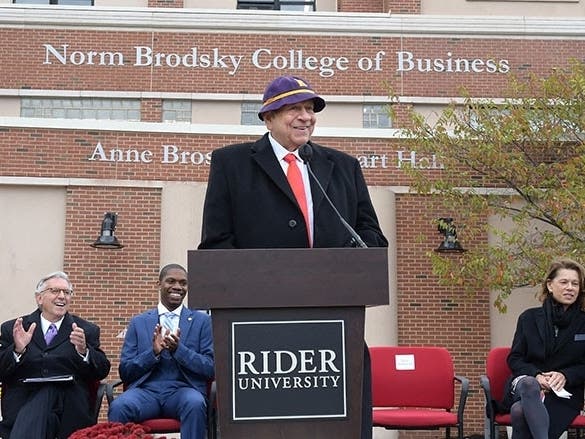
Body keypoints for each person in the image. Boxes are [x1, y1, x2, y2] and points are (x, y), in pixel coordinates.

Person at [198, 75, 388, 439]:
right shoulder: (231, 164)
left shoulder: (342, 167)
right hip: (259, 334)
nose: (305, 117)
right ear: (268, 117)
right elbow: (217, 244)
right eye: (294, 109)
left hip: (335, 326)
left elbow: (371, 236)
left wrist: (342, 264)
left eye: (310, 109)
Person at [108, 263, 214, 439]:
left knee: (195, 403)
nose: (177, 287)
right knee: (120, 406)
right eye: (171, 281)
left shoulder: (202, 321)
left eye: (183, 283)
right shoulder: (139, 322)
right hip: (146, 392)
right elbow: (125, 371)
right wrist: (153, 352)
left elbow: (210, 368)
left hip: (184, 390)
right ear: (159, 284)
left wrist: (179, 350)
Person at [0, 271, 111, 439]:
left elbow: (102, 370)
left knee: (50, 393)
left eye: (66, 292)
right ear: (39, 298)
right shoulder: (15, 328)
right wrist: (17, 350)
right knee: (48, 400)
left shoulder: (85, 330)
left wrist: (84, 351)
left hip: (70, 403)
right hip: (24, 399)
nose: (62, 297)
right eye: (55, 291)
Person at [501, 258, 585, 439]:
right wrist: (537, 376)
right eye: (564, 282)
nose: (570, 287)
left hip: (563, 394)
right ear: (550, 285)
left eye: (575, 283)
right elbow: (515, 358)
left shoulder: (583, 322)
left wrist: (565, 375)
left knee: (519, 411)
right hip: (525, 387)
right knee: (529, 385)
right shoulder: (528, 318)